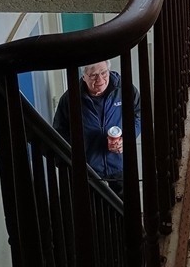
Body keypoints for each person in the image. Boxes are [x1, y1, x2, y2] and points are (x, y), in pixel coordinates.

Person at [53, 60, 140, 198]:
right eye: (93, 75)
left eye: (104, 72)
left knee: (125, 206)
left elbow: (139, 114)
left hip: (119, 162)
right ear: (84, 77)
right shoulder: (70, 98)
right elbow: (59, 131)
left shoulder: (124, 89)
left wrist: (127, 139)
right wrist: (76, 152)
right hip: (89, 167)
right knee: (93, 209)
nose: (100, 79)